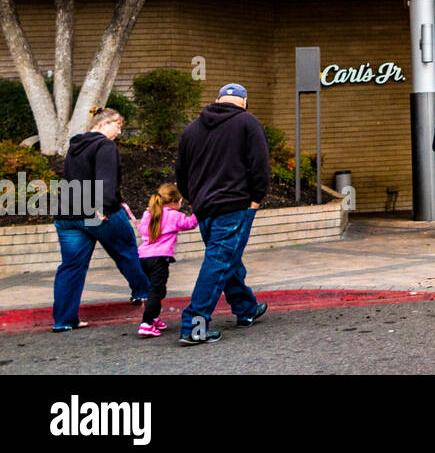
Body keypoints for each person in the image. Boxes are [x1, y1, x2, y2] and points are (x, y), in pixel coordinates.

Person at [175, 83, 271, 345]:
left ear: (217, 100)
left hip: (204, 208)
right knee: (219, 262)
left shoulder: (191, 129)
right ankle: (194, 325)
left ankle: (245, 308)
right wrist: (255, 199)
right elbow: (260, 165)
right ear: (244, 101)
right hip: (234, 206)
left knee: (226, 258)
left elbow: (181, 175)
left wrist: (195, 199)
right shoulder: (247, 123)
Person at [52, 106, 152, 331]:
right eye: (118, 126)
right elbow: (106, 178)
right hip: (97, 211)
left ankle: (64, 321)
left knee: (71, 266)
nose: (119, 132)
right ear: (104, 123)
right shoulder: (105, 145)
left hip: (68, 213)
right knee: (126, 252)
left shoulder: (75, 146)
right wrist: (104, 205)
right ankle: (145, 293)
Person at [134, 183, 198, 337]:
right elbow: (190, 224)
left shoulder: (148, 214)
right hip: (159, 259)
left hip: (143, 258)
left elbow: (142, 229)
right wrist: (198, 210)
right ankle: (147, 323)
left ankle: (154, 318)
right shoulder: (173, 215)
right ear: (174, 201)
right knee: (157, 291)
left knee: (156, 290)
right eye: (180, 202)